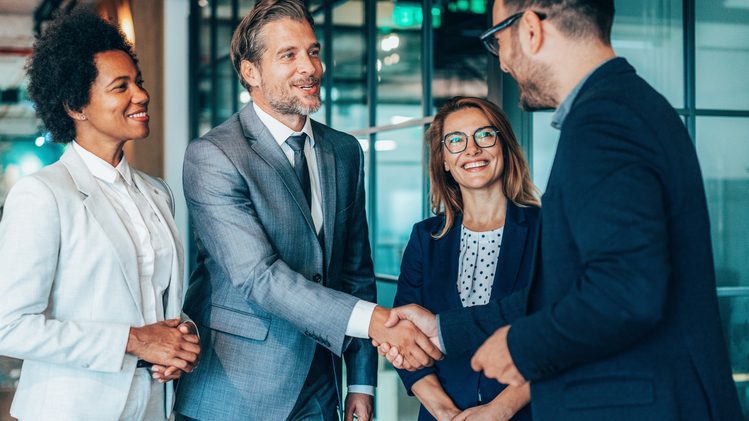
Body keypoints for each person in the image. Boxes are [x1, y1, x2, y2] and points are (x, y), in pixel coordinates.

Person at [381, 0, 743, 419]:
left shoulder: (605, 122)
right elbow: (574, 289)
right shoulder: (624, 107)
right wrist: (447, 329)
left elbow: (624, 293)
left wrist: (518, 345)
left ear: (530, 29)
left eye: (499, 42)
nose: (504, 65)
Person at [173, 1, 441, 420]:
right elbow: (258, 277)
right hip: (236, 390)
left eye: (313, 52)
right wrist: (377, 322)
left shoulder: (344, 150)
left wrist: (362, 382)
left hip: (321, 387)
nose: (310, 68)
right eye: (289, 55)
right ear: (250, 72)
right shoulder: (213, 156)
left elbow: (356, 270)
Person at [0, 8, 199, 421]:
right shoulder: (42, 195)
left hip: (153, 405)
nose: (141, 95)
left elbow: (157, 301)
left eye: (138, 82)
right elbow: (10, 326)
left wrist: (183, 338)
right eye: (120, 86)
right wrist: (132, 341)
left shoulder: (157, 193)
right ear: (76, 105)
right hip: (72, 408)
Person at [393, 96, 537, 421]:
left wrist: (501, 409)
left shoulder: (548, 230)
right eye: (455, 141)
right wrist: (444, 412)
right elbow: (406, 341)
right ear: (444, 160)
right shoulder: (424, 239)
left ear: (504, 145)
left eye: (484, 135)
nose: (471, 150)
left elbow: (558, 329)